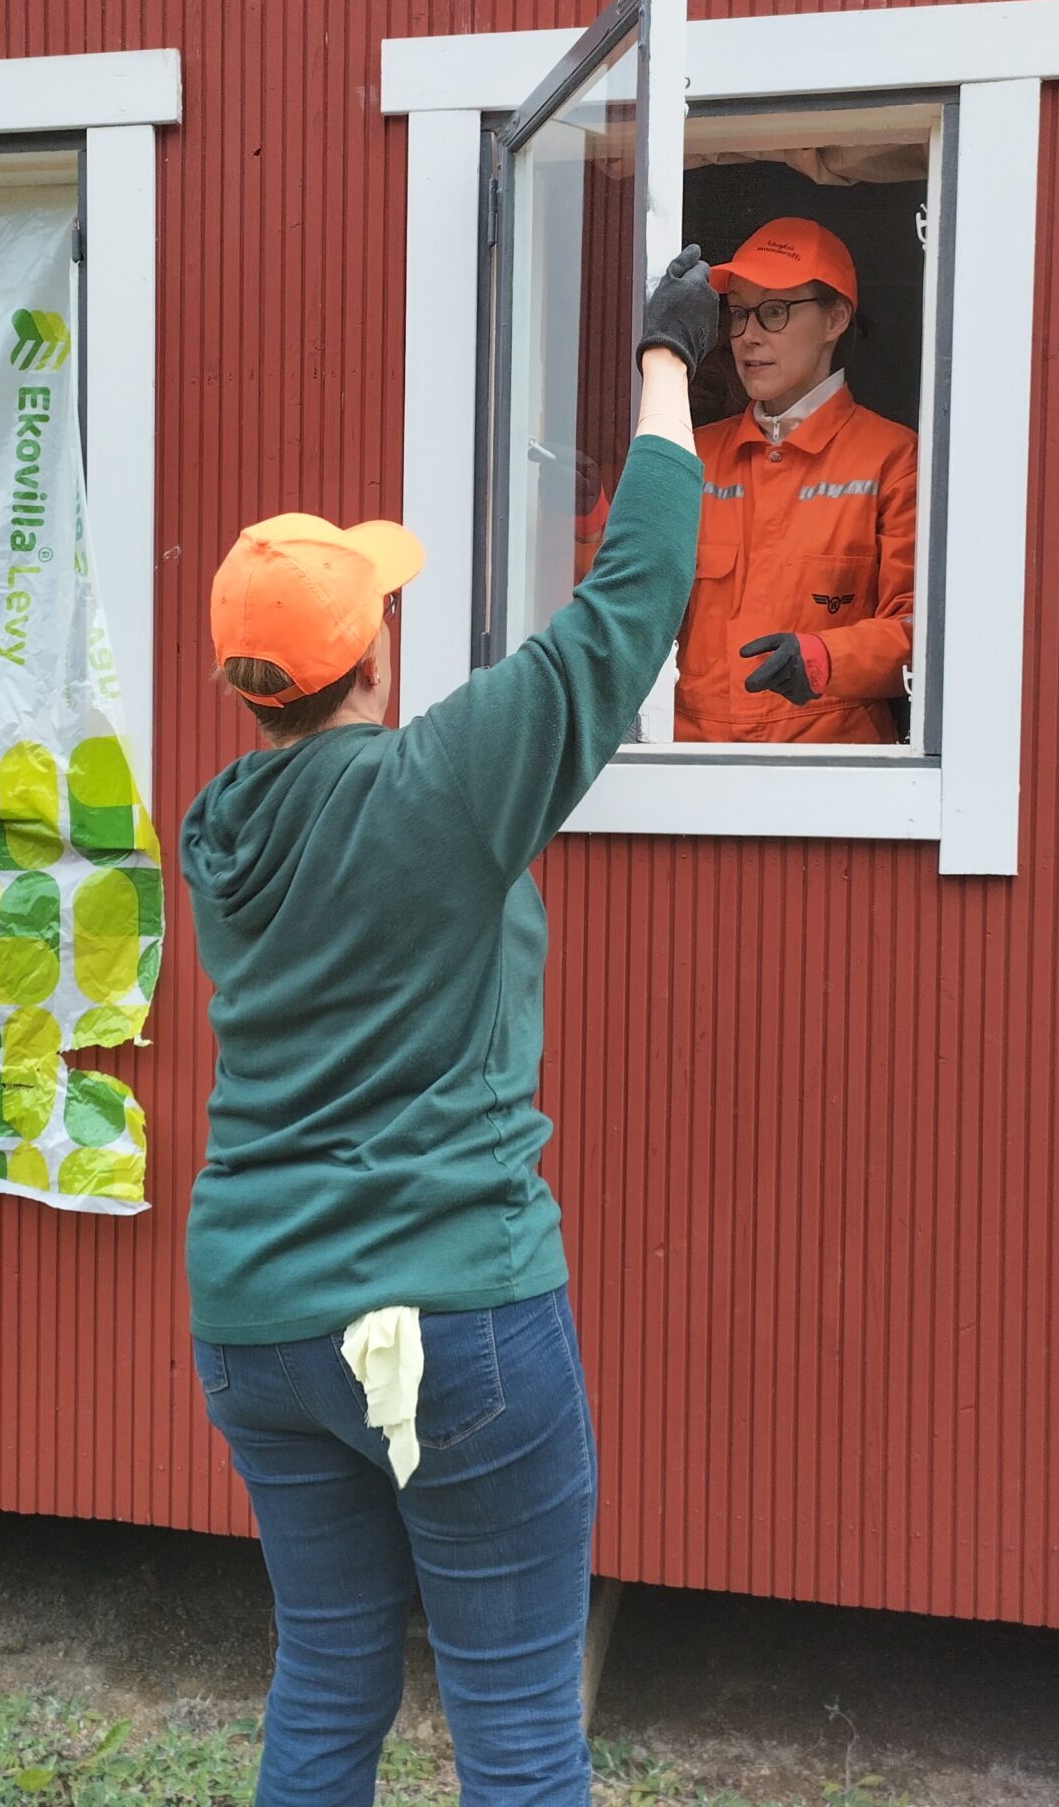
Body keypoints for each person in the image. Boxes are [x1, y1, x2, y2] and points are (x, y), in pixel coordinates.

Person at [178, 248, 719, 1806]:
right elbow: (632, 606)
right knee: (518, 1732)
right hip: (453, 1319)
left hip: (261, 1325)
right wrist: (665, 368)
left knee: (330, 1678)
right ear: (372, 660)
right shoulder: (438, 789)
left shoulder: (217, 826)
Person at [678, 216, 917, 744]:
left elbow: (920, 630)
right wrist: (585, 520)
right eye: (738, 313)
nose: (748, 336)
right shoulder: (695, 451)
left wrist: (825, 658)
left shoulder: (894, 458)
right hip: (689, 766)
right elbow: (618, 595)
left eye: (774, 311)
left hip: (829, 774)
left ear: (835, 319)